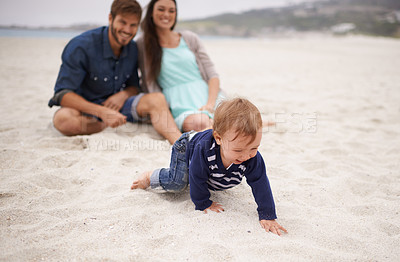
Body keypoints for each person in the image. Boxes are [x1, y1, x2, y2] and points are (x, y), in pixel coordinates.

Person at [131, 98, 287, 236]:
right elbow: (196, 177)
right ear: (218, 138)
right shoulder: (204, 150)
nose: (247, 155)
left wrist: (267, 214)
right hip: (186, 146)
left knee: (221, 177)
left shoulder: (251, 156)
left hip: (209, 159)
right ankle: (151, 176)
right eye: (238, 150)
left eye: (254, 148)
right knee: (178, 182)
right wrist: (203, 202)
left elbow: (260, 183)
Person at [48, 0, 181, 144]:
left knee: (157, 99)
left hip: (120, 108)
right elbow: (62, 94)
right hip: (85, 109)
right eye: (122, 22)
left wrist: (123, 95)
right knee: (63, 120)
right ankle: (103, 125)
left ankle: (181, 144)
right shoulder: (81, 46)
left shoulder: (132, 48)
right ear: (110, 18)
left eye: (133, 25)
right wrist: (102, 112)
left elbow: (134, 87)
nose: (127, 30)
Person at [136, 0, 224, 133]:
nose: (166, 14)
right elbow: (149, 83)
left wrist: (210, 104)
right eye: (161, 9)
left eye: (171, 11)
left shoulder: (190, 38)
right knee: (200, 123)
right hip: (179, 103)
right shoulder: (142, 44)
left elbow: (212, 75)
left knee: (239, 118)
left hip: (207, 96)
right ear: (151, 13)